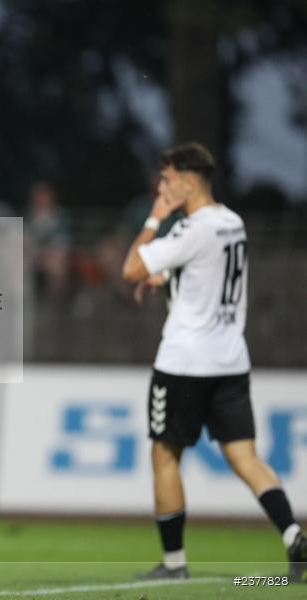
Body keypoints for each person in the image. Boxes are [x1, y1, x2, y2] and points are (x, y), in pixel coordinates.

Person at [122, 142, 307, 582]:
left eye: (166, 180)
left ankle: (174, 565)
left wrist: (154, 219)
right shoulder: (231, 223)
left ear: (187, 182)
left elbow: (130, 268)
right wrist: (165, 276)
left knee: (165, 456)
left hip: (185, 362)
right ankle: (293, 535)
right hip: (230, 360)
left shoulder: (191, 229)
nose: (161, 187)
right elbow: (207, 269)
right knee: (244, 456)